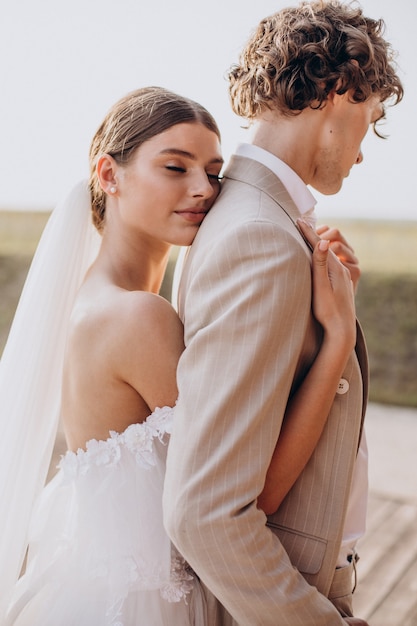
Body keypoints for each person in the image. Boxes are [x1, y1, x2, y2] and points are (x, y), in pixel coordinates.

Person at [0, 85, 361, 625]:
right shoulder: (138, 317)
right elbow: (250, 493)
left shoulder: (113, 296)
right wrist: (335, 340)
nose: (202, 190)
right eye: (175, 167)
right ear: (108, 175)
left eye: (214, 173)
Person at [163, 2, 403, 625]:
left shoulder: (254, 220)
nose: (360, 153)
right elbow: (206, 511)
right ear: (339, 93)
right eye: (370, 119)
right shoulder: (260, 238)